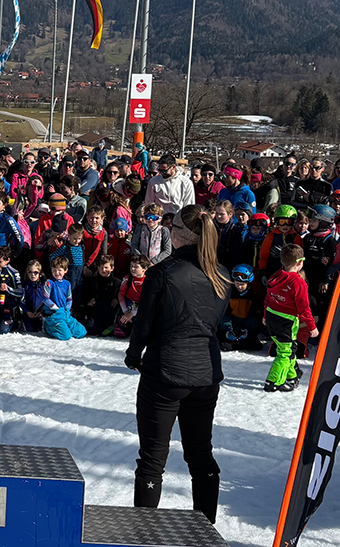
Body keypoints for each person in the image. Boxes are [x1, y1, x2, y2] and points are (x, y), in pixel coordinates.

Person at [124, 204, 230, 523]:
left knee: (153, 460)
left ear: (183, 235)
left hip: (165, 373)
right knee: (201, 456)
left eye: (172, 227)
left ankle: (143, 535)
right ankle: (206, 529)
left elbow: (144, 324)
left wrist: (133, 355)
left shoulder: (163, 272)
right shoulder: (221, 273)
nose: (168, 231)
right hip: (205, 374)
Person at [263, 245, 317, 392]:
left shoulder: (275, 276)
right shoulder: (298, 282)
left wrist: (265, 315)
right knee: (285, 352)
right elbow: (304, 308)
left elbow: (268, 298)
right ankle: (273, 381)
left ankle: (293, 376)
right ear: (300, 263)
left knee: (287, 349)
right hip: (286, 321)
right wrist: (312, 327)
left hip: (273, 318)